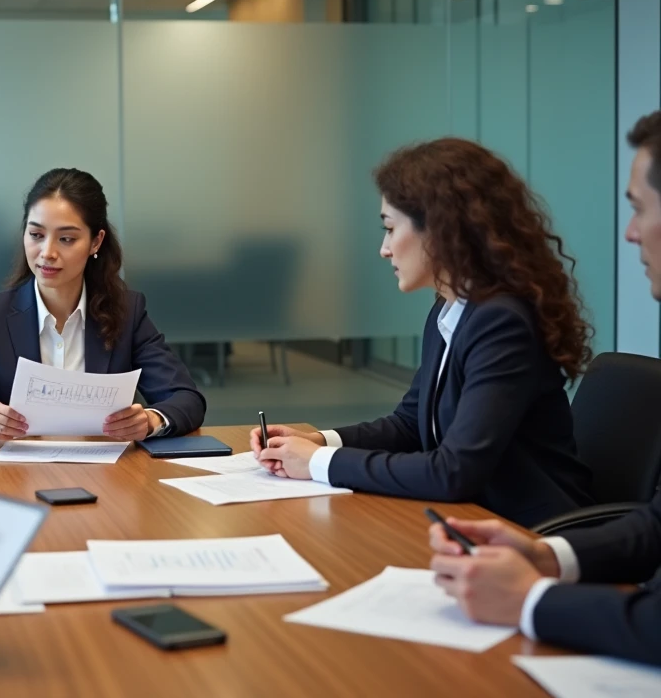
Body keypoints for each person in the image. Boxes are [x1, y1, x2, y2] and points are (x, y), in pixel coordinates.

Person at [254, 138, 594, 528]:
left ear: (440, 230)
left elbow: (453, 471)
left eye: (390, 228)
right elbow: (409, 424)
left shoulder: (502, 322)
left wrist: (316, 463)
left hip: (530, 534)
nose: (384, 249)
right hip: (473, 518)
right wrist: (319, 441)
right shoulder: (449, 310)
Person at [428, 111, 661, 666]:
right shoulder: (450, 313)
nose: (629, 232)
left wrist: (531, 600)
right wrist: (545, 555)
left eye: (638, 208)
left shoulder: (498, 318)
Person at [0, 168, 206, 445]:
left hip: (109, 476)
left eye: (67, 239)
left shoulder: (126, 311)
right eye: (36, 235)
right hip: (15, 477)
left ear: (95, 241)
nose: (47, 252)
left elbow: (186, 398)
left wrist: (151, 420)